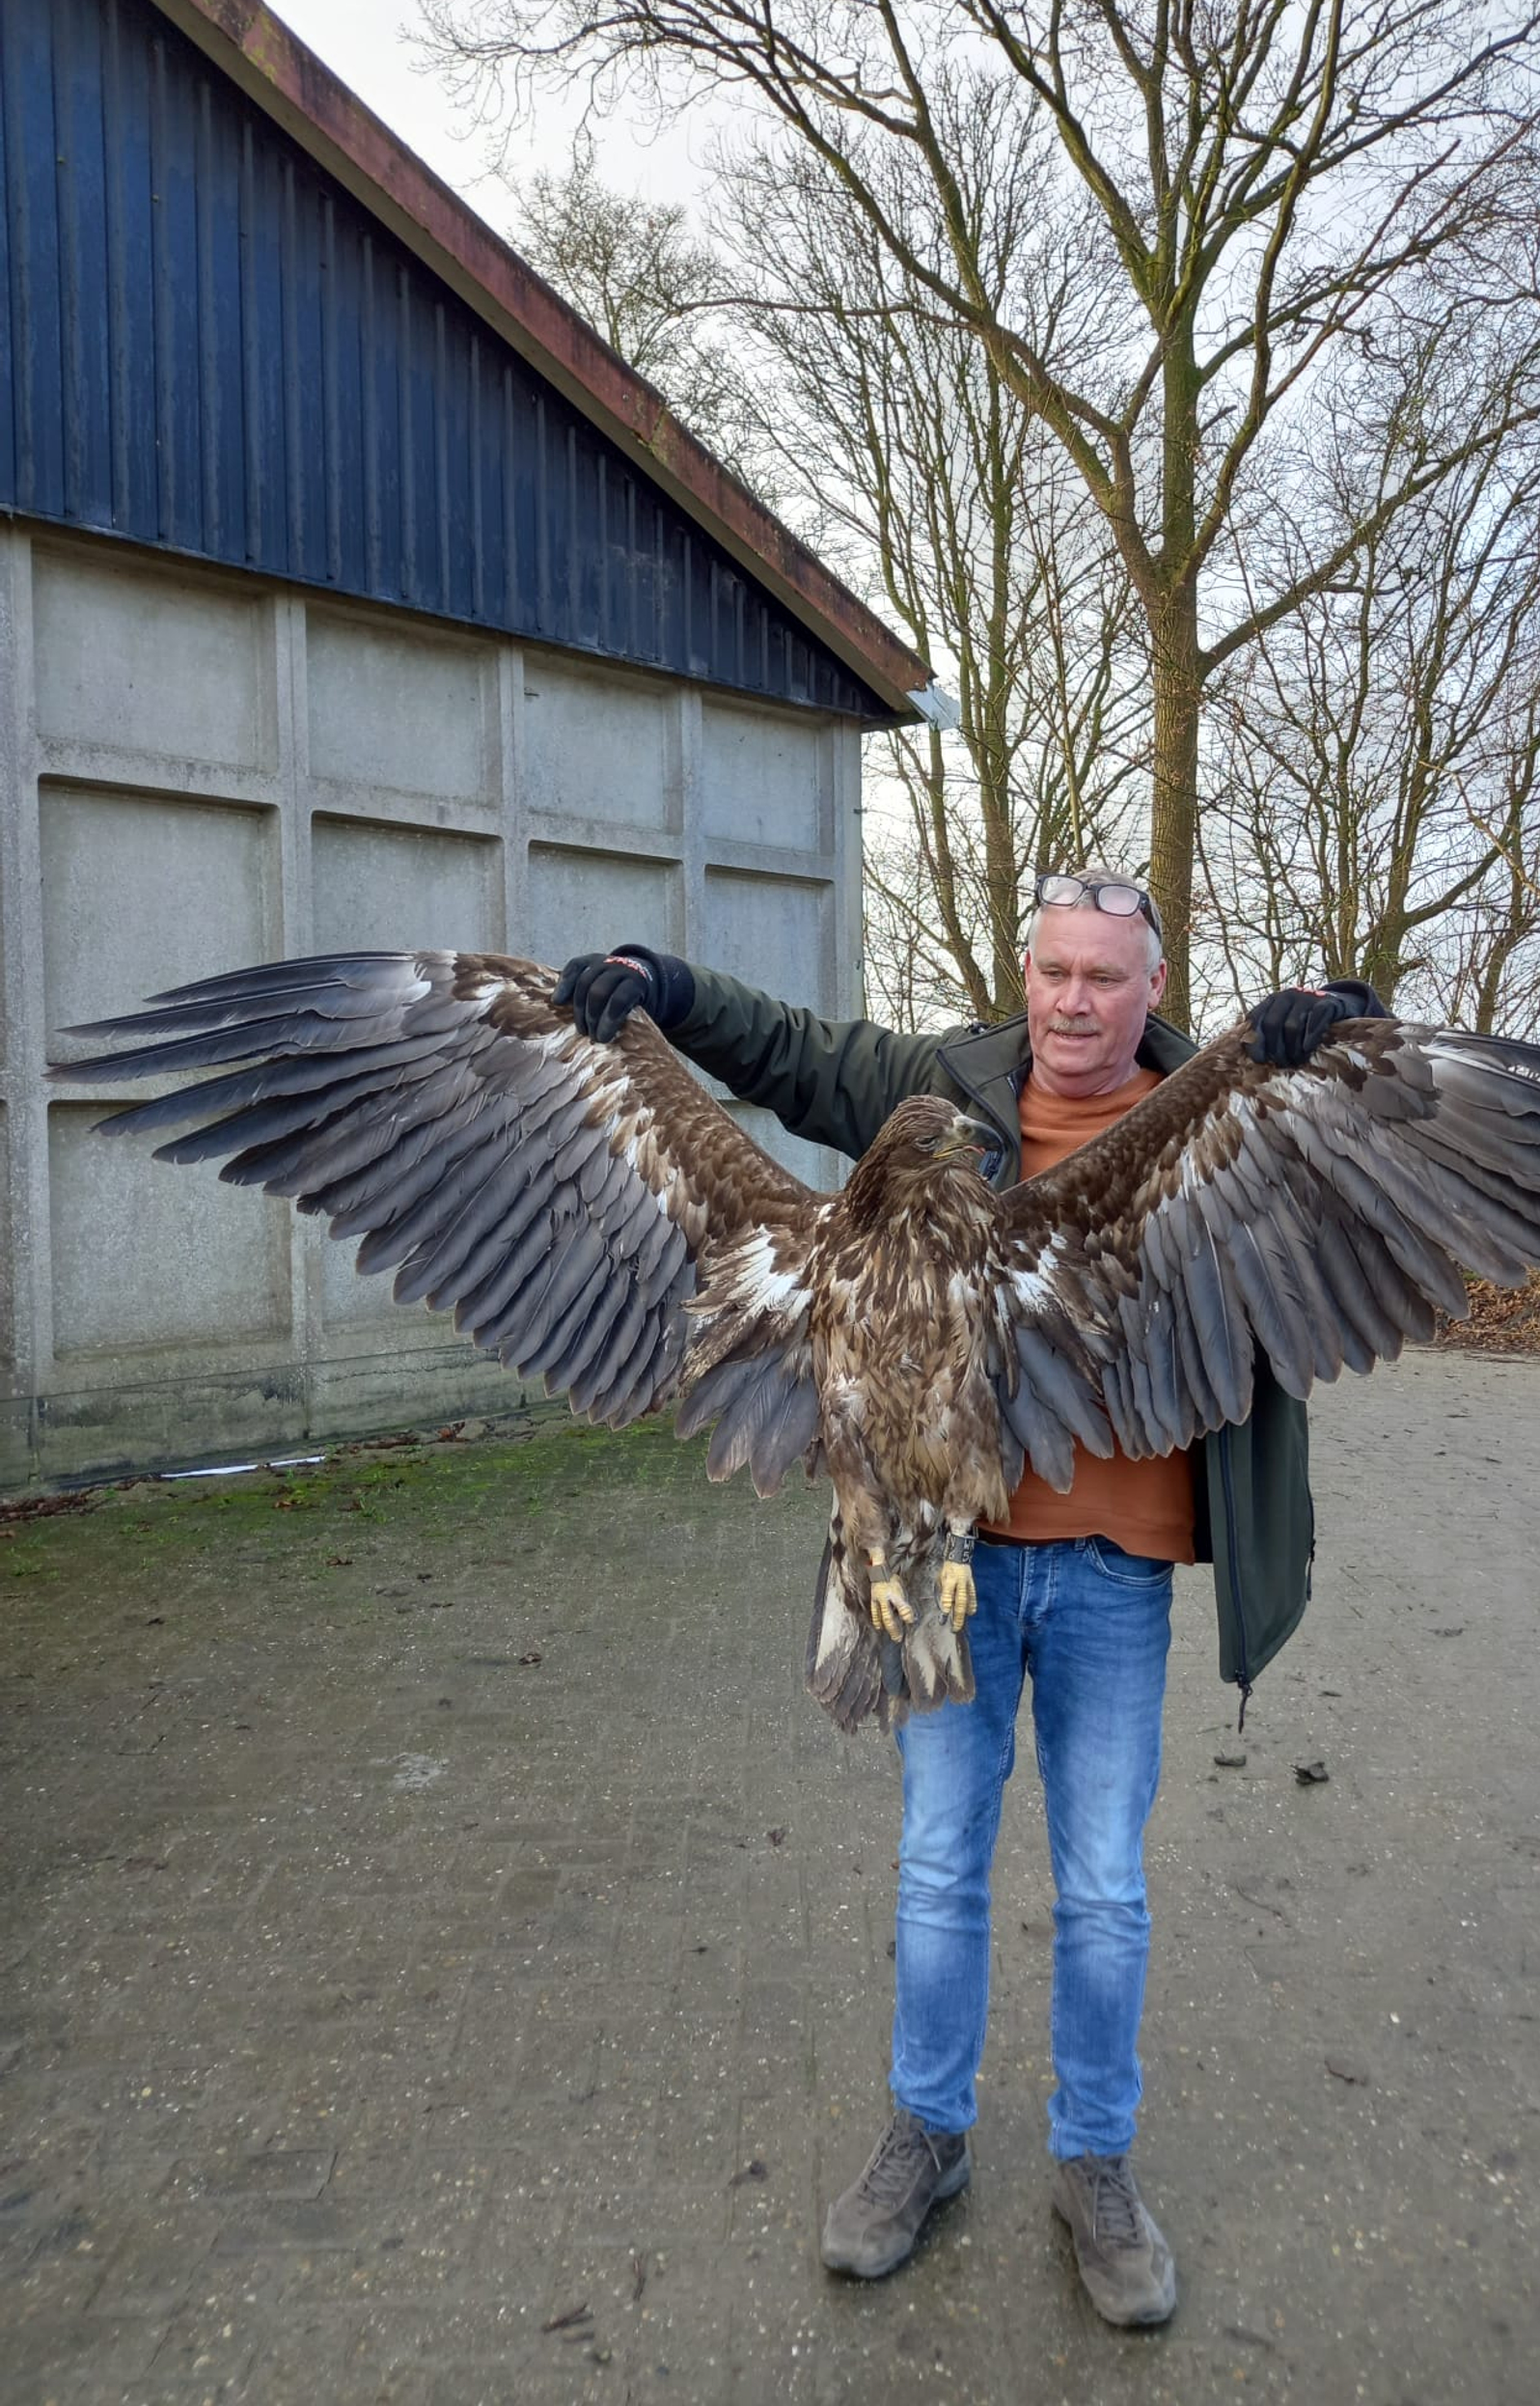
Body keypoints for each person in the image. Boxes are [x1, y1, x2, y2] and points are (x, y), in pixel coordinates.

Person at [555, 872, 1383, 2327]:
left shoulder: (1219, 1102)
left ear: (1148, 986)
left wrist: (1344, 1059)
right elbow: (790, 1052)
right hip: (931, 1553)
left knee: (1106, 1888)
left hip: (1118, 1565)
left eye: (1104, 979)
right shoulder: (932, 1086)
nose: (1074, 1001)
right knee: (940, 1859)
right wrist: (664, 988)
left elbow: (1354, 1172)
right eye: (1055, 971)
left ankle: (1096, 2168)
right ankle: (923, 2138)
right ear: (1029, 974)